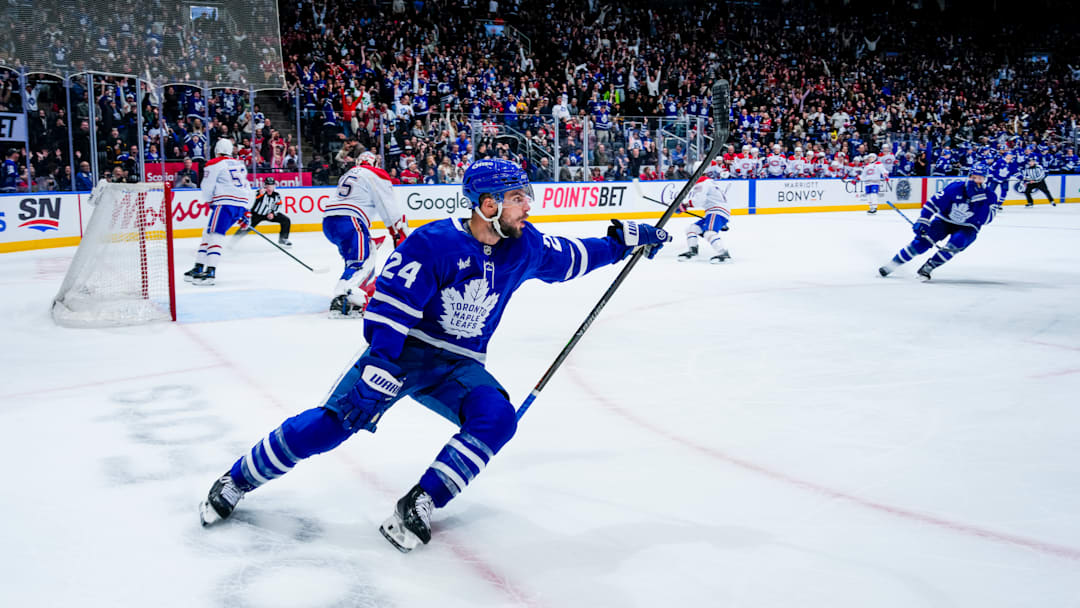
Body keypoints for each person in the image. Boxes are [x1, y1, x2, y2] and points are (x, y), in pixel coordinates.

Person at [197, 158, 672, 552]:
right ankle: (236, 480)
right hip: (403, 352)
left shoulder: (523, 244)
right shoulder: (433, 243)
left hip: (459, 366)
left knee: (497, 419)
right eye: (517, 198)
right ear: (488, 206)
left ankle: (421, 500)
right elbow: (387, 309)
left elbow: (569, 258)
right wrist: (381, 363)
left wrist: (621, 242)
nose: (528, 205)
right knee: (333, 424)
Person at [322, 151, 410, 318]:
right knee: (362, 261)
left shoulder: (349, 173)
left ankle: (359, 290)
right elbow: (386, 203)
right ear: (374, 163)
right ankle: (343, 297)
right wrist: (396, 229)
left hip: (330, 221)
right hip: (350, 220)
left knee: (358, 256)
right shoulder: (375, 174)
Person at [878, 163, 999, 281]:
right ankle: (892, 264)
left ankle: (929, 267)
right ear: (969, 176)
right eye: (973, 177)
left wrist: (978, 201)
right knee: (922, 242)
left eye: (980, 178)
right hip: (944, 220)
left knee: (957, 242)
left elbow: (986, 220)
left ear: (985, 179)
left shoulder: (990, 196)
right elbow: (933, 203)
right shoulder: (955, 188)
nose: (976, 181)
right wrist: (924, 219)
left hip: (969, 227)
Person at [182, 138, 253, 285]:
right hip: (240, 204)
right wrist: (246, 211)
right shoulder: (239, 164)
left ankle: (210, 271)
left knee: (214, 236)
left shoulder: (215, 163)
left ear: (217, 150)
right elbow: (247, 187)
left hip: (225, 203)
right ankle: (199, 266)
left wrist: (209, 201)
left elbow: (207, 185)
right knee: (208, 233)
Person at [676, 163, 732, 263]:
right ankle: (693, 252)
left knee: (709, 232)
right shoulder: (710, 181)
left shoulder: (702, 181)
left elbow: (699, 201)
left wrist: (685, 205)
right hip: (716, 211)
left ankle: (724, 254)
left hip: (716, 211)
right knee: (691, 229)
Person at [238, 177, 292, 247]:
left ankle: (283, 239)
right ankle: (233, 241)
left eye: (271, 186)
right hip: (256, 215)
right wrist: (259, 194)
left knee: (286, 220)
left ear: (274, 186)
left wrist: (272, 213)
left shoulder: (276, 195)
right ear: (265, 186)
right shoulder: (259, 193)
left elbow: (278, 206)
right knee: (246, 227)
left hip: (269, 214)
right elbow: (252, 201)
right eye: (268, 186)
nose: (269, 188)